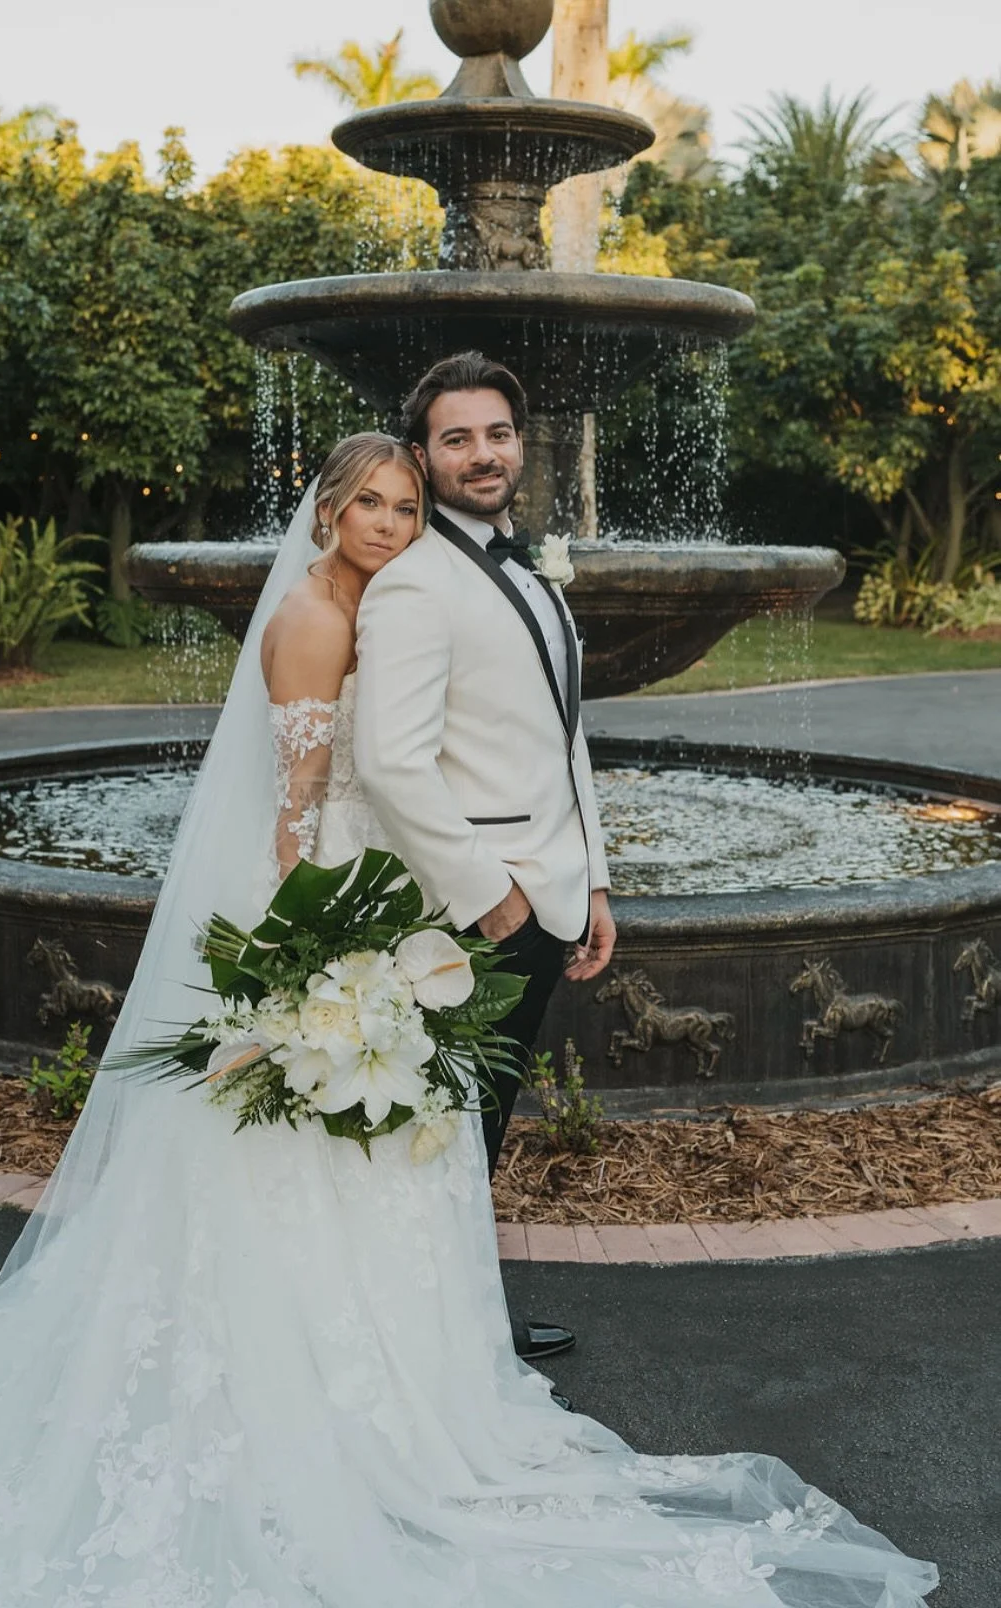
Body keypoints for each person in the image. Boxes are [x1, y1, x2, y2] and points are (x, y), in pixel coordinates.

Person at [0, 429, 937, 1607]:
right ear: (331, 510)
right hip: (319, 901)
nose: (392, 525)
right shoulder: (315, 618)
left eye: (404, 506)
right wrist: (314, 957)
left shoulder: (381, 600)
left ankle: (392, 1370)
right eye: (374, 504)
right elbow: (296, 808)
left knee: (372, 1147)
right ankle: (287, 1382)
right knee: (301, 1146)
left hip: (373, 897)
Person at [355, 352, 616, 1369]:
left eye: (498, 433)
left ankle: (447, 1317)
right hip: (473, 912)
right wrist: (492, 897)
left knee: (475, 1126)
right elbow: (388, 760)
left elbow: (565, 733)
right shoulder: (415, 582)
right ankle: (436, 1336)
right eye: (457, 438)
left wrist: (592, 877)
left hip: (552, 888)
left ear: (521, 442)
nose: (483, 454)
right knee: (445, 1131)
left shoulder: (531, 566)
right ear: (424, 456)